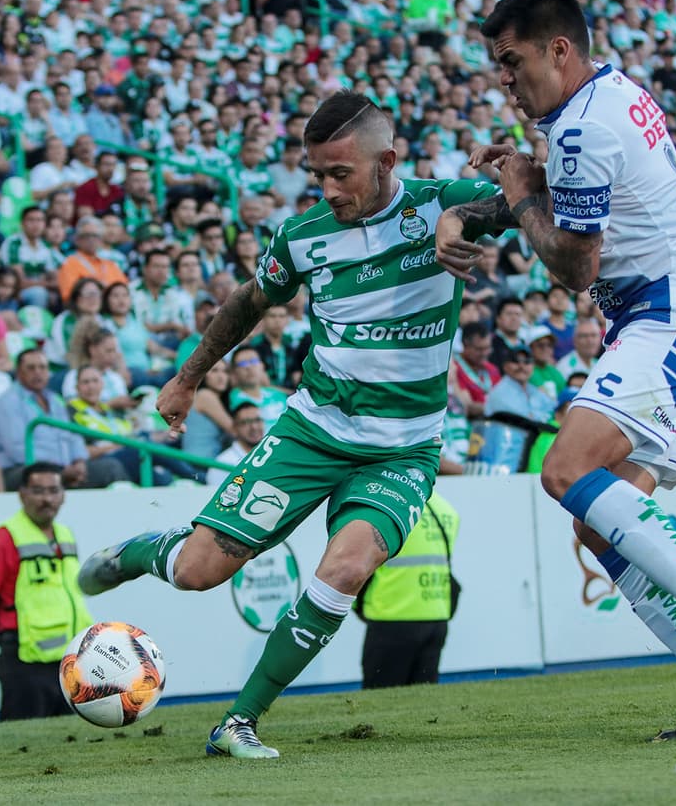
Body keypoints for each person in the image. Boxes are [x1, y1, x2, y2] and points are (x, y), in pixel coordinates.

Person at [77, 91, 501, 759]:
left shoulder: (441, 202)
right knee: (197, 570)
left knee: (346, 566)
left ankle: (239, 722)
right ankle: (141, 551)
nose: (328, 189)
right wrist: (188, 377)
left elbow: (528, 197)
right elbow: (249, 303)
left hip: (401, 451)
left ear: (387, 161)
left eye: (342, 173)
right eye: (317, 175)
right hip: (311, 434)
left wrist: (488, 192)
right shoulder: (303, 236)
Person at [435, 0, 676, 739]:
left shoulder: (582, 130)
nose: (503, 80)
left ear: (558, 49)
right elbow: (575, 198)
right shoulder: (608, 95)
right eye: (495, 65)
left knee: (563, 471)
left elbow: (576, 267)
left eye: (511, 61)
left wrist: (518, 193)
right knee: (598, 523)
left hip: (670, 318)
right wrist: (489, 209)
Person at [0, 461, 93, 721]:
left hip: (69, 662)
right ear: (22, 494)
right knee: (22, 746)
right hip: (24, 661)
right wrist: (6, 626)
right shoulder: (3, 537)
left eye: (53, 491)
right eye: (38, 491)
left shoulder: (65, 535)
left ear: (63, 495)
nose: (46, 499)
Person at [359, 492, 460, 690]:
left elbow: (361, 563)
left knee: (379, 700)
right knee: (423, 704)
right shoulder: (446, 509)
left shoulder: (388, 507)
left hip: (391, 616)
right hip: (436, 615)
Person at [0, 349, 126, 490]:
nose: (38, 372)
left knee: (111, 468)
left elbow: (72, 436)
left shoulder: (55, 400)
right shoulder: (8, 402)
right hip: (21, 470)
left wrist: (79, 462)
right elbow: (17, 450)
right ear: (19, 372)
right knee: (43, 478)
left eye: (42, 367)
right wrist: (58, 468)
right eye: (31, 368)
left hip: (62, 468)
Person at [205, 402, 266, 486]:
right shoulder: (222, 462)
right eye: (246, 422)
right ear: (234, 428)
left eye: (257, 420)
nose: (254, 427)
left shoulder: (273, 455)